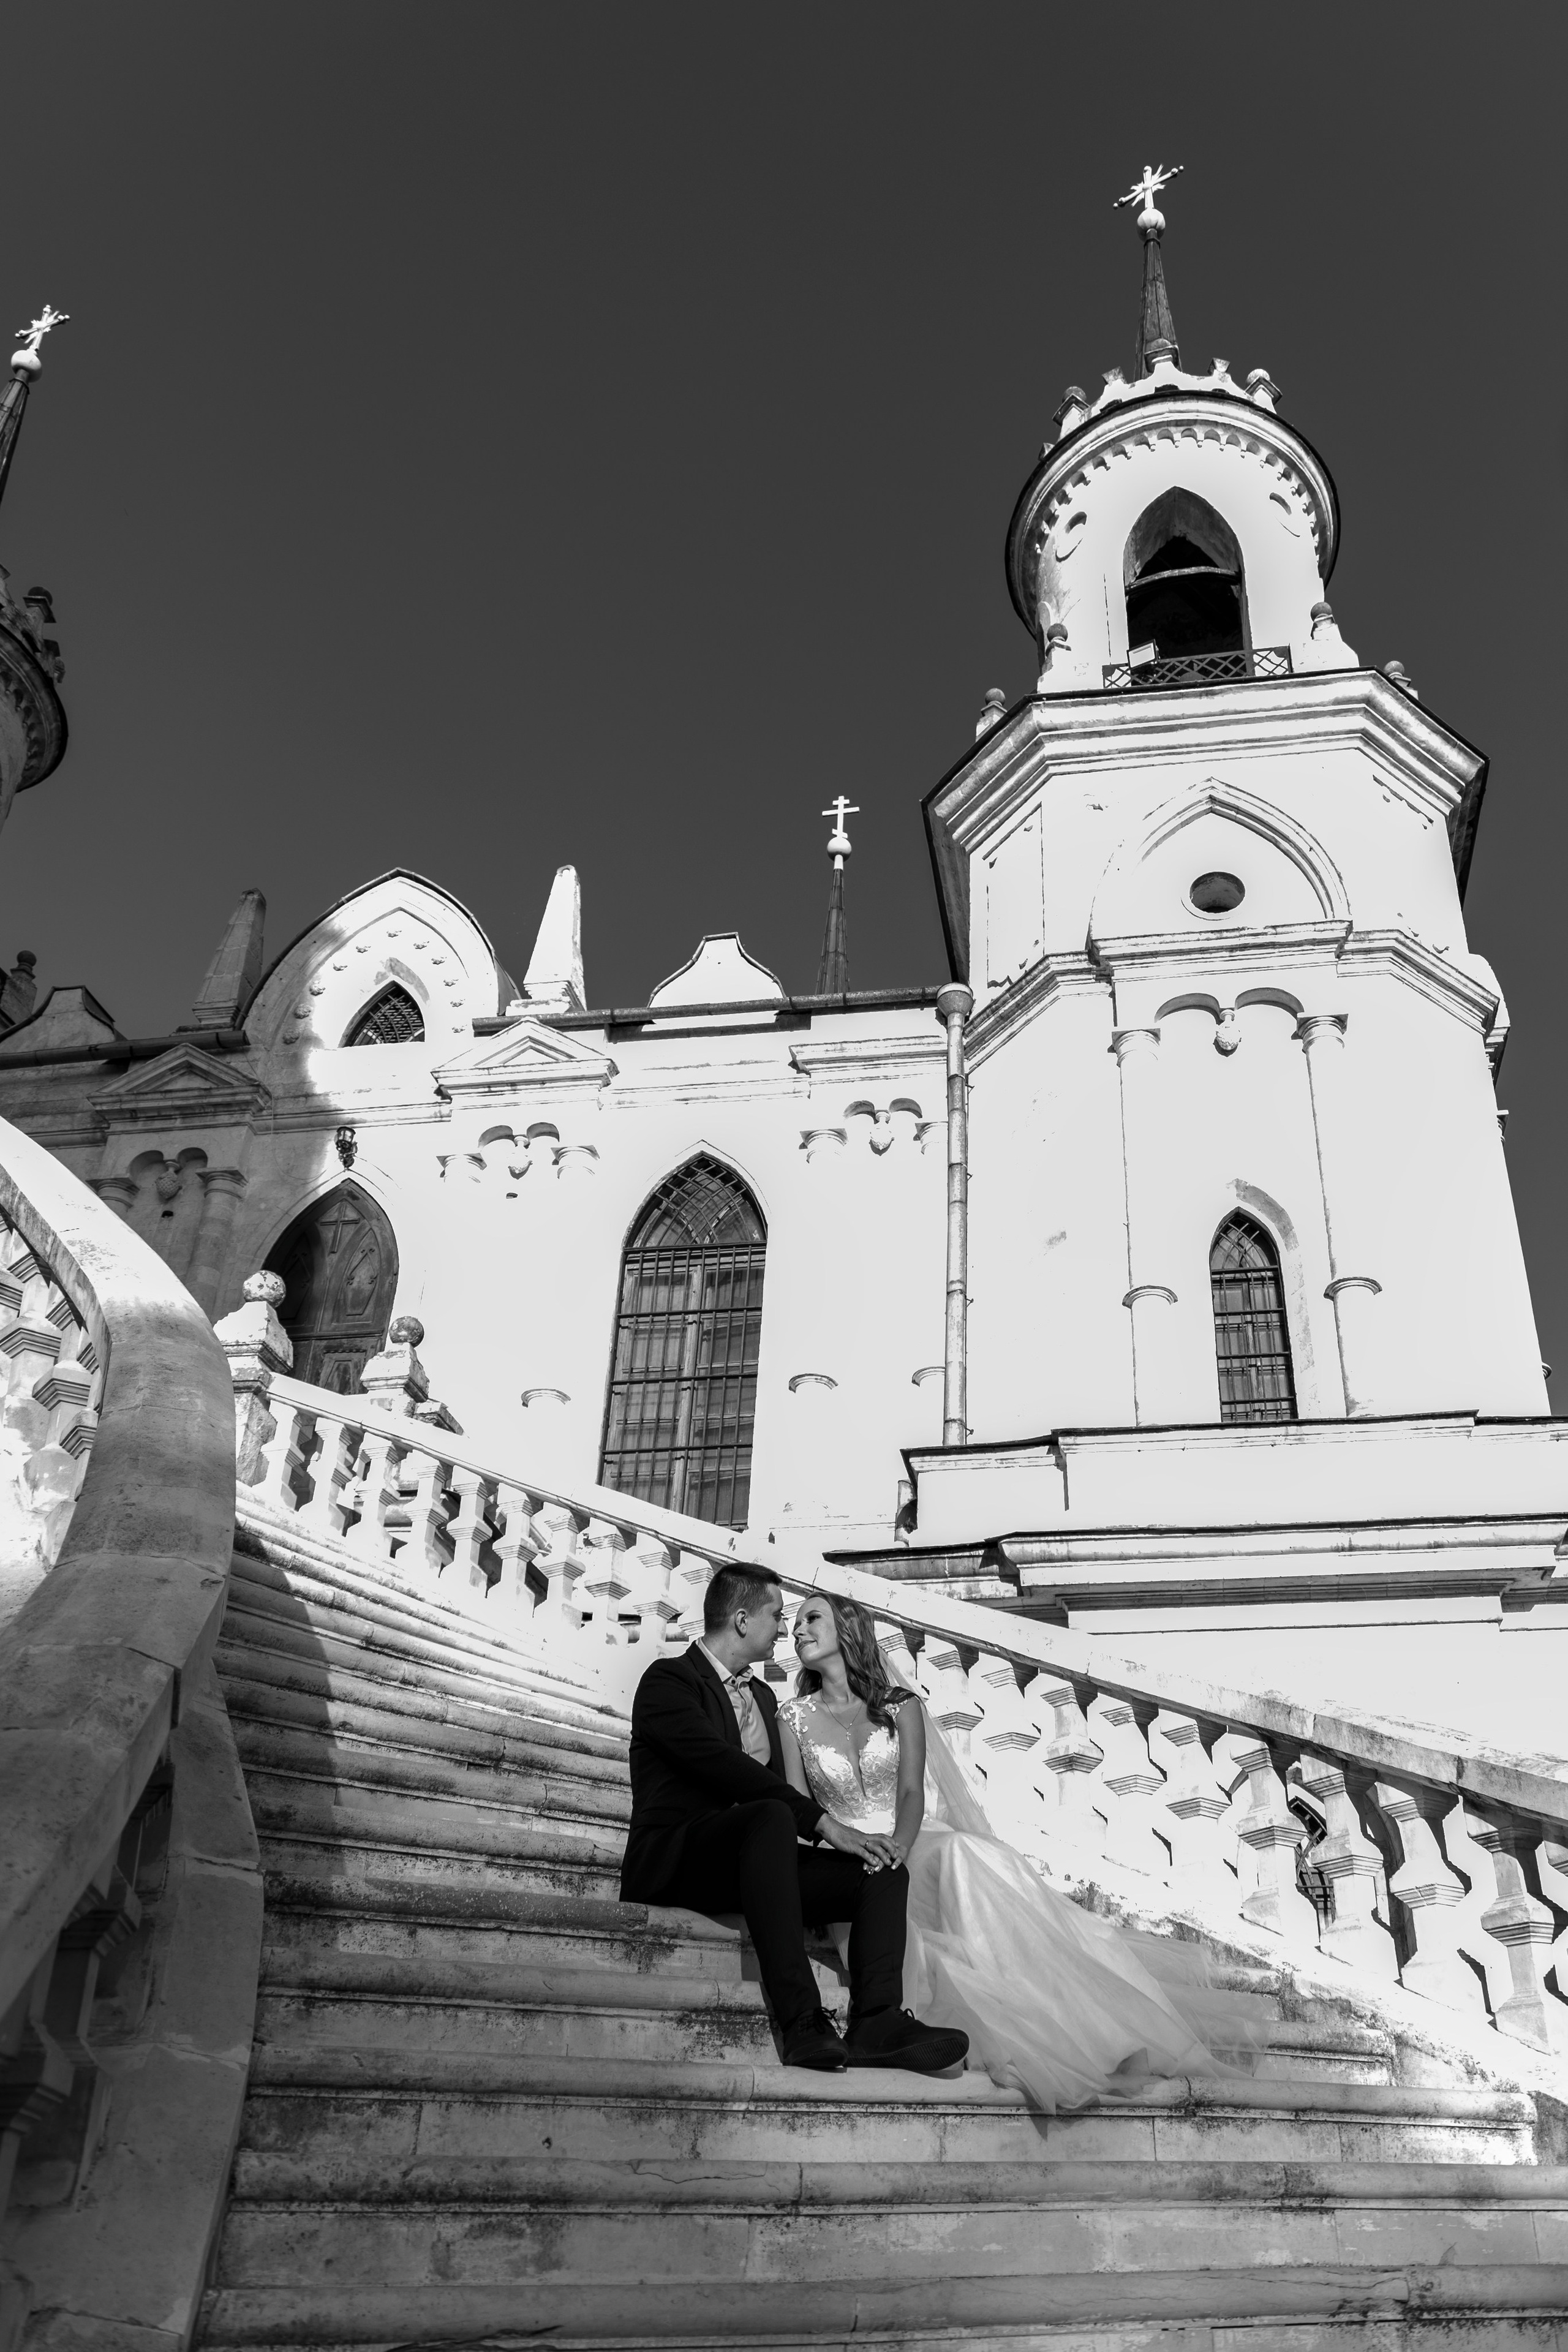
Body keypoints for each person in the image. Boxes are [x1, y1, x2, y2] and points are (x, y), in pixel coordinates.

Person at [778, 1593, 1271, 2111]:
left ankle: (1092, 2027)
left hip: (911, 1839)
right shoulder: (793, 1716)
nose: (798, 1631)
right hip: (847, 1855)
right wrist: (849, 1843)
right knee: (916, 1933)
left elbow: (909, 1792)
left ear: (849, 1630)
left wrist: (899, 1845)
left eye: (811, 1618)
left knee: (967, 1855)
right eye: (792, 1625)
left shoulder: (900, 1707)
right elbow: (798, 1806)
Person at [620, 1564, 970, 2076]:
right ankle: (803, 2019)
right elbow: (726, 1768)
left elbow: (787, 1788)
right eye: (776, 1616)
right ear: (742, 1620)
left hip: (756, 1866)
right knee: (768, 1816)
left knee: (882, 1869)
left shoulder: (765, 1699)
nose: (785, 1629)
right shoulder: (669, 1681)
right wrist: (827, 1826)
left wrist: (859, 1839)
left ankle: (877, 2021)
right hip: (682, 1860)